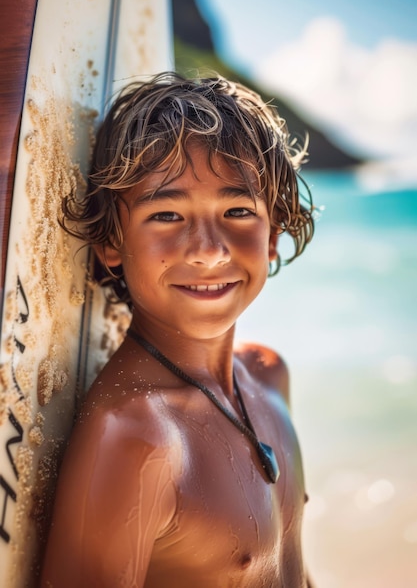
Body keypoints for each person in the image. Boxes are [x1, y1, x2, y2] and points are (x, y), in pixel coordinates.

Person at [41, 72, 315, 587]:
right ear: (111, 244)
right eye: (166, 214)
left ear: (273, 233)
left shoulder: (269, 376)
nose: (209, 250)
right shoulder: (137, 436)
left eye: (237, 210)